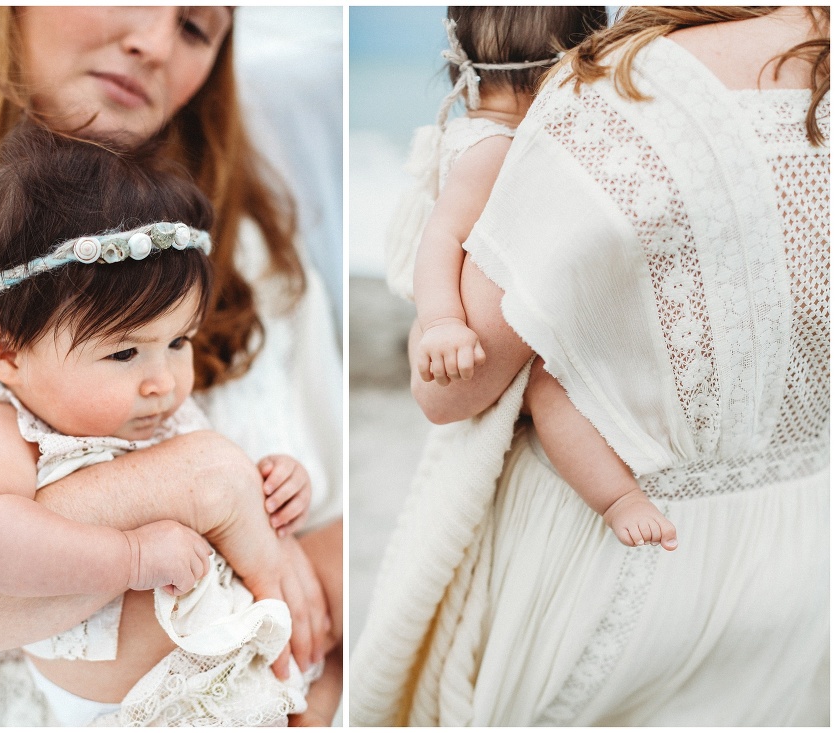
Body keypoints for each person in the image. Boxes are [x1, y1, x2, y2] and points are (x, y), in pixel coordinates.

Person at [0, 7, 343, 726]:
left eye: (195, 28)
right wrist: (193, 485)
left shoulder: (252, 246)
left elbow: (338, 536)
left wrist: (274, 493)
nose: (152, 43)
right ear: (2, 348)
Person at [352, 5, 828, 726]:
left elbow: (449, 393)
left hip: (621, 582)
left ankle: (617, 496)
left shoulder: (617, 91)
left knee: (552, 381)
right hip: (802, 553)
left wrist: (449, 322)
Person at [0, 122, 320, 726]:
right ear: (5, 352)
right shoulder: (5, 429)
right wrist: (129, 558)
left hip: (236, 677)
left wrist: (274, 483)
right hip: (130, 709)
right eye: (124, 353)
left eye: (179, 340)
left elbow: (222, 490)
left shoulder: (159, 413)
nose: (163, 380)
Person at [387, 7, 674, 551]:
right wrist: (443, 323)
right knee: (550, 387)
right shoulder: (495, 150)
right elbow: (440, 239)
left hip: (465, 324)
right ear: (569, 69)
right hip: (459, 330)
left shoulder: (483, 131)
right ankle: (618, 499)